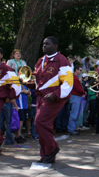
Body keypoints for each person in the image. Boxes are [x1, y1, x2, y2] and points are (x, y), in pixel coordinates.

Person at [31, 36, 73, 164]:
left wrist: (56, 94)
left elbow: (68, 82)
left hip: (53, 98)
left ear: (55, 46)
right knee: (43, 125)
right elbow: (39, 81)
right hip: (40, 96)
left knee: (40, 122)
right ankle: (47, 155)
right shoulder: (40, 61)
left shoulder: (62, 60)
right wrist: (28, 83)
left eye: (47, 44)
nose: (44, 46)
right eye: (43, 44)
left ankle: (52, 148)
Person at [68, 65, 86, 135]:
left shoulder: (75, 77)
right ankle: (71, 129)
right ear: (76, 70)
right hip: (75, 96)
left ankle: (72, 128)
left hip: (75, 96)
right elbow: (78, 88)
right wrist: (84, 92)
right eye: (80, 70)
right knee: (74, 113)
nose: (81, 72)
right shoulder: (74, 78)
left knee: (75, 113)